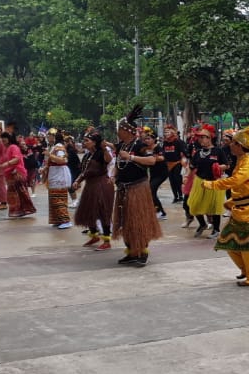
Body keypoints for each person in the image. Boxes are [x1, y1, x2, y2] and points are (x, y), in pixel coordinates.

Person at [201, 124, 249, 286]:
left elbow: (236, 181)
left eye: (233, 143)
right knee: (229, 241)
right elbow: (242, 187)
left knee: (248, 244)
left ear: (240, 146)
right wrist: (231, 201)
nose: (230, 145)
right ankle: (246, 270)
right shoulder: (241, 160)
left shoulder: (248, 162)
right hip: (241, 208)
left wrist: (212, 185)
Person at [111, 108, 163, 266]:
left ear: (127, 130)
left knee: (138, 221)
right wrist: (113, 175)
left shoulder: (140, 145)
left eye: (119, 129)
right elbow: (118, 165)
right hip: (122, 188)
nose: (117, 132)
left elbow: (152, 161)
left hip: (138, 188)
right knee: (125, 221)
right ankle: (131, 252)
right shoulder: (121, 146)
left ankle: (142, 252)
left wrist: (132, 157)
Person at [73, 131, 115, 251]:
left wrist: (105, 148)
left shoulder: (101, 153)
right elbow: (84, 172)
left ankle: (107, 241)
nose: (84, 142)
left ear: (94, 143)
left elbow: (109, 160)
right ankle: (94, 236)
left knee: (103, 212)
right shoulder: (86, 156)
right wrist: (77, 180)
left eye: (87, 140)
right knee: (88, 211)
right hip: (90, 185)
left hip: (102, 185)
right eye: (84, 140)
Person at [186, 125, 226, 239]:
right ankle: (202, 224)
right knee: (192, 204)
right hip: (200, 182)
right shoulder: (198, 153)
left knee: (214, 208)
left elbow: (227, 165)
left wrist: (218, 167)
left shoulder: (218, 151)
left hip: (214, 182)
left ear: (210, 138)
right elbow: (192, 166)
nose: (201, 139)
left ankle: (216, 230)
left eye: (203, 137)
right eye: (200, 137)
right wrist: (186, 177)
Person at [0, 132, 36, 218]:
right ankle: (18, 211)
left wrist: (7, 163)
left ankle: (21, 210)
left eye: (5, 140)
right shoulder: (5, 149)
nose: (3, 142)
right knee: (14, 194)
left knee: (19, 193)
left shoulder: (13, 147)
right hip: (9, 175)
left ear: (9, 139)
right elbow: (0, 164)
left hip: (17, 173)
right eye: (2, 141)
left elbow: (17, 159)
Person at [45, 136, 73, 229]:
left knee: (58, 199)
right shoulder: (54, 147)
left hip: (59, 176)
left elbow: (62, 160)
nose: (47, 137)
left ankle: (65, 220)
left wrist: (49, 155)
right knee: (54, 198)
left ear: (54, 137)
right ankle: (58, 220)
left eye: (49, 135)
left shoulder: (59, 147)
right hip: (55, 174)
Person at [159, 125, 187, 204]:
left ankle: (181, 195)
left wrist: (185, 161)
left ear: (173, 132)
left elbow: (184, 152)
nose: (166, 133)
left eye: (168, 131)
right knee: (171, 180)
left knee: (177, 179)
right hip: (168, 163)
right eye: (165, 132)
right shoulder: (165, 142)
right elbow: (163, 152)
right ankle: (175, 196)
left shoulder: (178, 142)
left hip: (177, 163)